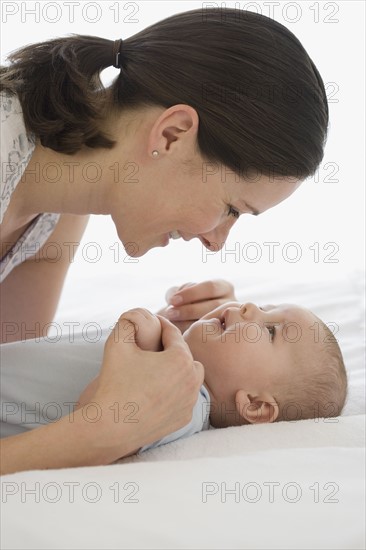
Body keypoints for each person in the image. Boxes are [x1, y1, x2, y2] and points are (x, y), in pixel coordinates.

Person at [0, 7, 329, 473]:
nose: (217, 243)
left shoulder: (62, 200)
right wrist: (95, 435)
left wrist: (183, 349)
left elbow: (10, 380)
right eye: (232, 209)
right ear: (172, 135)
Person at [0, 300, 347, 459]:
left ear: (254, 406)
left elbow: (96, 420)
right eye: (268, 305)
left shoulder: (185, 406)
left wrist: (140, 335)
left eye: (271, 330)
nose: (250, 308)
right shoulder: (178, 362)